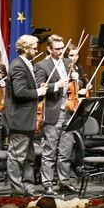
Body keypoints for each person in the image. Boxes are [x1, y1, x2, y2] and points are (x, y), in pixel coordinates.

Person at [5, 36, 48, 196]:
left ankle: (28, 190)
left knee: (29, 158)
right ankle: (17, 192)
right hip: (19, 120)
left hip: (27, 120)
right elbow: (19, 92)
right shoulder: (18, 66)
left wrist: (38, 87)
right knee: (17, 157)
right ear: (25, 48)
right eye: (34, 48)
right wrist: (38, 92)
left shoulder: (27, 64)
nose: (37, 51)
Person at [35, 35, 72, 196]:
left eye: (62, 48)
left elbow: (78, 85)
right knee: (49, 150)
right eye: (57, 49)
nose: (61, 51)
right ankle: (47, 183)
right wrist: (56, 85)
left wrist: (78, 80)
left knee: (66, 150)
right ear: (49, 49)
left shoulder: (68, 63)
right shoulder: (41, 66)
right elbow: (39, 86)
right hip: (52, 110)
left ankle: (64, 181)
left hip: (69, 109)